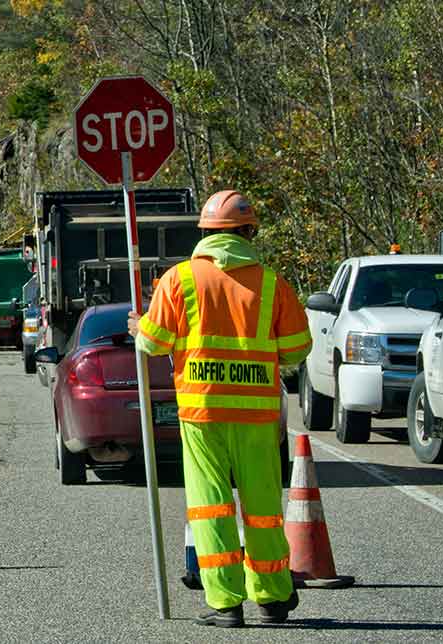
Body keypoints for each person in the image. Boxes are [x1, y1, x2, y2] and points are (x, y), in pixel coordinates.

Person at [128, 190, 312, 628]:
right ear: (249, 232)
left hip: (202, 412)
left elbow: (153, 344)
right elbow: (298, 348)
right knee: (264, 508)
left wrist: (140, 326)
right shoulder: (271, 284)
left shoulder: (179, 280)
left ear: (205, 233)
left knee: (210, 506)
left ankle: (225, 603)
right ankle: (271, 598)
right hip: (257, 416)